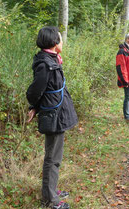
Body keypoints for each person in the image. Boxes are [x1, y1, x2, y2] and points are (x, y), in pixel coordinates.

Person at [26, 26, 78, 209]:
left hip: (57, 114)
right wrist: (33, 106)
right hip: (53, 115)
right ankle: (49, 200)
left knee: (56, 156)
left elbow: (46, 90)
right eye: (61, 39)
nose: (62, 42)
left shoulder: (51, 59)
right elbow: (36, 90)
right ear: (54, 43)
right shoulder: (45, 64)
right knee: (52, 158)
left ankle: (51, 190)